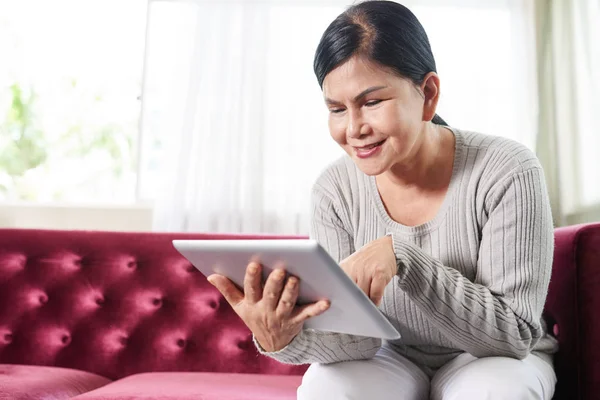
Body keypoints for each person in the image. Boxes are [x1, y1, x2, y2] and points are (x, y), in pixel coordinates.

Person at [207, 1, 558, 399]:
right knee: (327, 390)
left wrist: (404, 259)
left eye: (372, 102)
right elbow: (355, 342)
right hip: (390, 357)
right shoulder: (334, 190)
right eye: (337, 109)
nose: (354, 129)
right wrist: (283, 338)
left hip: (490, 356)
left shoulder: (507, 170)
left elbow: (513, 335)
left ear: (428, 94)